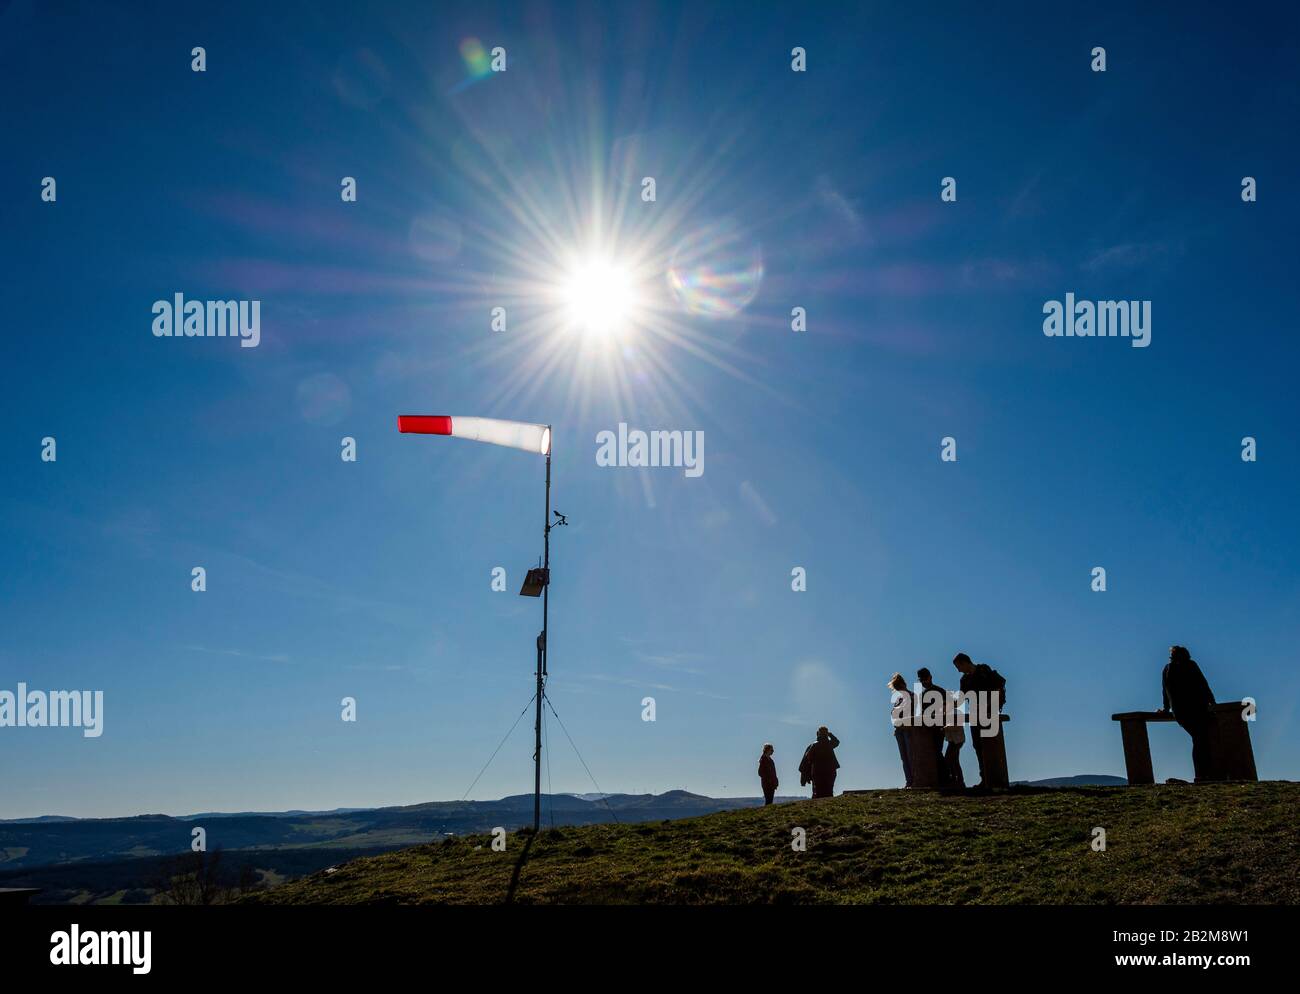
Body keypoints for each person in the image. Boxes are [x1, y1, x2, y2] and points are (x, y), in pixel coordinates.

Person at [1159, 645, 1216, 781]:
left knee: (1199, 739)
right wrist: (1213, 702)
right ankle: (1203, 774)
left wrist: (1166, 708)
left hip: (1182, 711)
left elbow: (1165, 691)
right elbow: (1203, 684)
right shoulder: (1189, 666)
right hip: (1195, 709)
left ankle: (1203, 774)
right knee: (1201, 739)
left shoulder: (1168, 669)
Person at [952, 652, 1007, 789]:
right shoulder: (964, 680)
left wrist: (991, 705)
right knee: (978, 746)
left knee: (991, 746)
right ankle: (985, 779)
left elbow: (999, 685)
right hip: (974, 716)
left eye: (958, 666)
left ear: (965, 662)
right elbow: (961, 698)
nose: (958, 670)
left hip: (989, 714)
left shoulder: (983, 670)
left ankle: (995, 779)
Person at [917, 667, 953, 787]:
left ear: (930, 677)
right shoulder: (923, 695)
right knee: (932, 753)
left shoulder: (939, 691)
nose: (924, 682)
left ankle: (945, 778)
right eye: (921, 680)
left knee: (937, 752)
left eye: (925, 679)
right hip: (927, 729)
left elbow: (949, 707)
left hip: (938, 727)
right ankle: (940, 779)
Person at [888, 673, 915, 788]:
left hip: (908, 729)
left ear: (904, 685)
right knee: (904, 757)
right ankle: (909, 781)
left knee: (910, 755)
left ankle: (914, 779)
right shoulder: (898, 699)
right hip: (900, 730)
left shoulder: (913, 696)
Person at [798, 726, 840, 798]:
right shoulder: (829, 744)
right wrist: (830, 734)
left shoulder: (814, 745)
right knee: (828, 790)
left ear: (818, 734)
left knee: (818, 790)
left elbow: (807, 759)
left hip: (818, 771)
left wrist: (805, 774)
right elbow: (836, 742)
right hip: (829, 771)